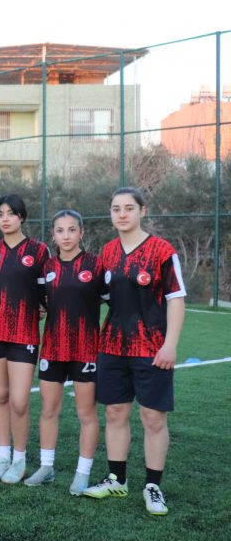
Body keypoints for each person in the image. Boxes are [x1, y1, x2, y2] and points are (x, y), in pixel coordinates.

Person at [83, 187, 185, 516]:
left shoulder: (162, 250)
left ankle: (153, 485)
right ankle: (117, 479)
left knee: (152, 417)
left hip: (151, 347)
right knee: (115, 413)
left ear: (143, 211)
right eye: (116, 209)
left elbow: (176, 299)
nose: (122, 214)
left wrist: (170, 344)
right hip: (112, 346)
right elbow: (98, 294)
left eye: (129, 208)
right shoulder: (108, 251)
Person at [26, 209, 107, 494]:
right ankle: (46, 467)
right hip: (52, 347)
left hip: (86, 349)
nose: (66, 236)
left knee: (86, 413)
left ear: (81, 232)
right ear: (53, 235)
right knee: (49, 409)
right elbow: (40, 302)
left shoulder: (96, 265)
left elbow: (112, 300)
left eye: (72, 230)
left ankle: (82, 473)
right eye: (60, 230)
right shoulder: (46, 267)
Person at [0, 194, 50, 483]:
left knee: (19, 401)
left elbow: (46, 291)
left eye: (10, 213)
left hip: (24, 333)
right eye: (0, 214)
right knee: (0, 396)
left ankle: (19, 459)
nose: (5, 219)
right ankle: (3, 456)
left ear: (21, 216)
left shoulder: (39, 250)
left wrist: (43, 306)